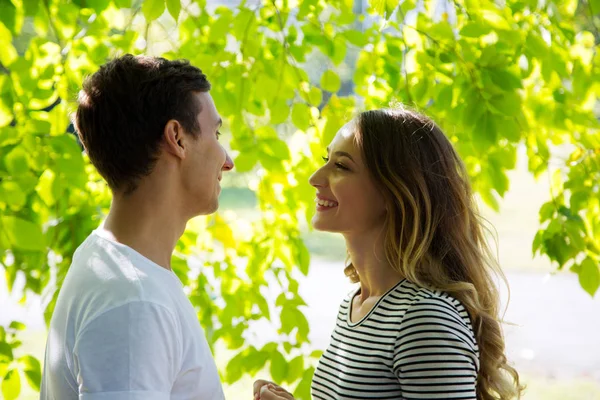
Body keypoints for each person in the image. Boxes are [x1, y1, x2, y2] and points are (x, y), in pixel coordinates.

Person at [254, 107, 522, 400]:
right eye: (325, 160)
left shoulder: (425, 319)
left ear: (394, 191)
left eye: (341, 166)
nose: (316, 178)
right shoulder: (354, 306)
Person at [40, 54, 234, 400]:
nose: (228, 160)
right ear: (177, 138)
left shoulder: (111, 261)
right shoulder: (134, 302)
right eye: (215, 133)